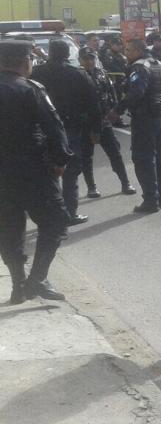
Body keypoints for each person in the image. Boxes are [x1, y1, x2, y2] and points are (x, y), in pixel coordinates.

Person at [0, 39, 72, 303]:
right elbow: (54, 127)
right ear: (26, 61)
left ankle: (19, 285)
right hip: (34, 172)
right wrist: (60, 160)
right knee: (55, 222)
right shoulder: (31, 89)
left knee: (9, 230)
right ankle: (37, 279)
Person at [31, 40, 101, 225]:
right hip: (70, 128)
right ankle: (69, 213)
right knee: (71, 173)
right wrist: (96, 129)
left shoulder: (36, 73)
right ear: (66, 53)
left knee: (46, 173)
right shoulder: (78, 74)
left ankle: (48, 213)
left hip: (42, 129)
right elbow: (93, 103)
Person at [107, 39, 161, 213]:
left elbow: (136, 92)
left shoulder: (139, 67)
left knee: (144, 158)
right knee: (160, 156)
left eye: (128, 50)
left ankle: (151, 199)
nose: (125, 53)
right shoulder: (159, 64)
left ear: (137, 50)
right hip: (160, 114)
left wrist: (117, 110)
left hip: (145, 117)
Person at [78, 47, 136, 198]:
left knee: (115, 153)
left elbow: (111, 93)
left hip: (103, 120)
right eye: (86, 58)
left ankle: (125, 182)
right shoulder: (77, 76)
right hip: (85, 122)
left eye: (91, 58)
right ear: (80, 60)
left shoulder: (102, 74)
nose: (89, 61)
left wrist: (114, 111)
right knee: (86, 156)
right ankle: (91, 187)